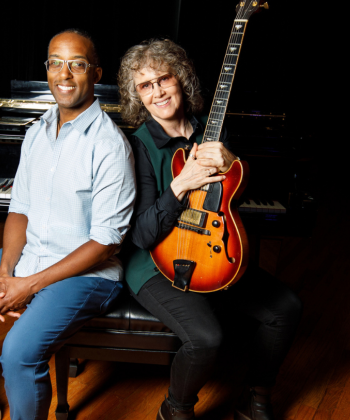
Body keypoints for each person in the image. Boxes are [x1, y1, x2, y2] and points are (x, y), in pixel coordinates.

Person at [0, 29, 135, 420]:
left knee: (15, 353)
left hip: (87, 275)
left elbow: (106, 242)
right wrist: (4, 274)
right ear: (46, 69)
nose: (64, 74)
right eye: (55, 63)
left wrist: (27, 285)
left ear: (95, 73)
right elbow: (20, 209)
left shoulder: (110, 146)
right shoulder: (37, 132)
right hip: (33, 257)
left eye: (77, 64)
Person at [116, 38, 302, 420]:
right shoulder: (136, 147)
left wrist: (233, 161)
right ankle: (176, 410)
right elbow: (141, 235)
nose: (158, 92)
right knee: (206, 338)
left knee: (286, 308)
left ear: (180, 79)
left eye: (163, 79)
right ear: (137, 96)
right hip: (152, 263)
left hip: (210, 249)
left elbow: (234, 196)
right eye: (145, 86)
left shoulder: (213, 130)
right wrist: (180, 184)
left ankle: (255, 397)